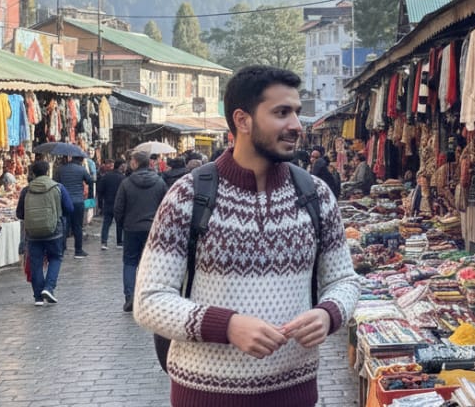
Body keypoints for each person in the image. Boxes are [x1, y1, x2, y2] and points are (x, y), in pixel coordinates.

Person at [134, 65, 359, 406]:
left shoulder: (315, 195)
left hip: (295, 394)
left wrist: (329, 313)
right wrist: (228, 325)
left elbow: (345, 280)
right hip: (204, 396)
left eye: (296, 113)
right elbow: (149, 301)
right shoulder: (187, 196)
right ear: (242, 120)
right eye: (281, 113)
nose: (296, 125)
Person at [114, 150, 167, 312]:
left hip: (131, 228)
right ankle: (149, 297)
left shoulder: (126, 183)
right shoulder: (159, 182)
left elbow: (118, 209)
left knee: (130, 263)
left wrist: (122, 225)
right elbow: (166, 207)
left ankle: (130, 296)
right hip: (152, 229)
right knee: (150, 264)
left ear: (135, 163)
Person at [16, 161, 73, 306]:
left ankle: (38, 297)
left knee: (36, 263)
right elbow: (69, 208)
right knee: (55, 258)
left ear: (33, 173)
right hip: (54, 231)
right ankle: (49, 287)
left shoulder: (26, 190)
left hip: (33, 233)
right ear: (48, 171)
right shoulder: (58, 188)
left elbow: (20, 213)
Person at [54, 155, 93, 258]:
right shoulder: (82, 169)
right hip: (78, 201)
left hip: (64, 201)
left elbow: (55, 183)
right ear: (80, 160)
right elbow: (90, 181)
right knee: (77, 227)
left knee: (64, 226)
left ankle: (61, 250)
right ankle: (78, 251)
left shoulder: (60, 169)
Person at [97, 159, 126, 250]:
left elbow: (100, 191)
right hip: (119, 205)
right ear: (121, 166)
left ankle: (104, 242)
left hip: (108, 203)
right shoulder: (123, 178)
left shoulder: (106, 176)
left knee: (106, 223)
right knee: (120, 224)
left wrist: (100, 204)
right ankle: (119, 242)